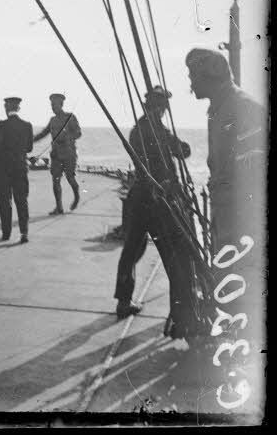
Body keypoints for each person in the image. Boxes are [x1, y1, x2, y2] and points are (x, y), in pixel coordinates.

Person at [186, 48, 266, 345]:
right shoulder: (220, 108)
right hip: (227, 213)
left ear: (211, 77)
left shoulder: (242, 109)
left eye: (194, 76)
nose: (190, 83)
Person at [113, 87, 195, 326]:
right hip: (159, 201)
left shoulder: (138, 130)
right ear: (159, 107)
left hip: (139, 198)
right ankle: (180, 313)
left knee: (131, 251)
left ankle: (123, 301)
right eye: (163, 106)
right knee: (174, 254)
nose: (164, 110)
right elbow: (183, 152)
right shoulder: (157, 131)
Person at [0, 96, 33, 243]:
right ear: (18, 108)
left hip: (4, 169)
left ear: (6, 108)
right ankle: (24, 233)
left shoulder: (1, 126)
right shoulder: (27, 125)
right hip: (20, 167)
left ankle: (6, 234)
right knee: (22, 200)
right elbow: (29, 148)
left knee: (4, 201)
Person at [33, 93, 82, 215]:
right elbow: (44, 133)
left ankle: (76, 197)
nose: (53, 107)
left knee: (70, 178)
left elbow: (78, 133)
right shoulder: (52, 120)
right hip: (56, 154)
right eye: (51, 105)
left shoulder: (70, 117)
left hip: (69, 154)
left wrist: (67, 137)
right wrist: (30, 139)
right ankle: (59, 207)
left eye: (54, 105)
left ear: (61, 105)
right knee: (55, 180)